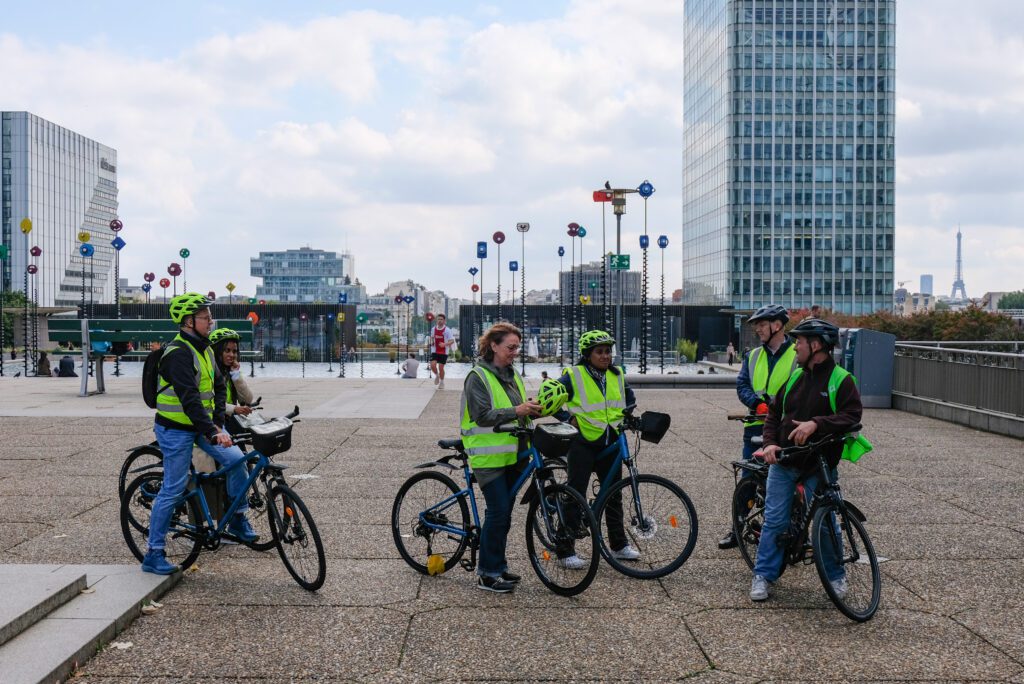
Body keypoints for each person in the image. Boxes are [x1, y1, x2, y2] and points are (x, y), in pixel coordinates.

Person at [142, 293, 257, 575]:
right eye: (206, 318)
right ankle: (153, 553)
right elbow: (190, 398)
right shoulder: (178, 354)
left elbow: (218, 387)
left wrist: (218, 424)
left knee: (237, 460)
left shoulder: (205, 349)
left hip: (202, 426)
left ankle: (238, 518)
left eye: (209, 317)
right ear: (189, 321)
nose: (210, 322)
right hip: (175, 429)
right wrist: (212, 430)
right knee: (173, 487)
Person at [749, 318, 862, 602]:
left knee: (826, 524)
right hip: (785, 459)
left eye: (800, 341)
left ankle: (836, 577)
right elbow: (774, 414)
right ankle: (763, 575)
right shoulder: (796, 376)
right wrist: (771, 443)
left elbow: (852, 416)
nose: (795, 345)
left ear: (816, 345)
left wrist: (816, 424)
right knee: (774, 519)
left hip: (819, 463)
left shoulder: (841, 380)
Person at [460, 322, 540, 593]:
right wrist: (518, 409)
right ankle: (487, 573)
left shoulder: (511, 374)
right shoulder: (477, 377)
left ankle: (498, 564)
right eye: (510, 347)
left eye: (517, 347)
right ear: (493, 345)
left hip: (514, 454)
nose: (515, 352)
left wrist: (531, 409)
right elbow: (482, 415)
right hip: (489, 457)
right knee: (498, 511)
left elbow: (515, 410)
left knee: (504, 513)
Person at [554, 330, 639, 568]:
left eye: (608, 352)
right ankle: (565, 549)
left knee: (614, 494)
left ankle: (619, 545)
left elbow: (629, 400)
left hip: (610, 439)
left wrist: (627, 416)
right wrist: (566, 418)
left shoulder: (617, 374)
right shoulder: (574, 375)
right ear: (587, 354)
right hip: (582, 442)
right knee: (575, 493)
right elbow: (547, 398)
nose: (605, 356)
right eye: (599, 352)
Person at [719, 304, 797, 550]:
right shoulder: (753, 356)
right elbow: (742, 386)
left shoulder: (797, 353)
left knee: (792, 483)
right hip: (756, 427)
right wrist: (756, 403)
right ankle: (738, 529)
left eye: (762, 325)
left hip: (787, 429)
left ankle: (793, 532)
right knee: (749, 479)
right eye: (757, 326)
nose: (758, 330)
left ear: (777, 326)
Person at [209, 328, 255, 434]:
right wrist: (234, 409)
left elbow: (248, 398)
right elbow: (208, 402)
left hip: (229, 421)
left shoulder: (229, 371)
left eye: (234, 351)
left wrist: (236, 375)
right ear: (217, 351)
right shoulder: (210, 372)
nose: (232, 355)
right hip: (214, 424)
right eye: (227, 350)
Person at [429, 314, 455, 390]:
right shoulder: (433, 329)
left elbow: (452, 341)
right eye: (438, 319)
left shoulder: (447, 330)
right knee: (432, 365)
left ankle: (442, 382)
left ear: (444, 321)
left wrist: (444, 344)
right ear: (436, 320)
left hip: (444, 351)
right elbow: (432, 337)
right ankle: (437, 376)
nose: (439, 321)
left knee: (441, 367)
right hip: (435, 350)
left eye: (441, 319)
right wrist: (431, 342)